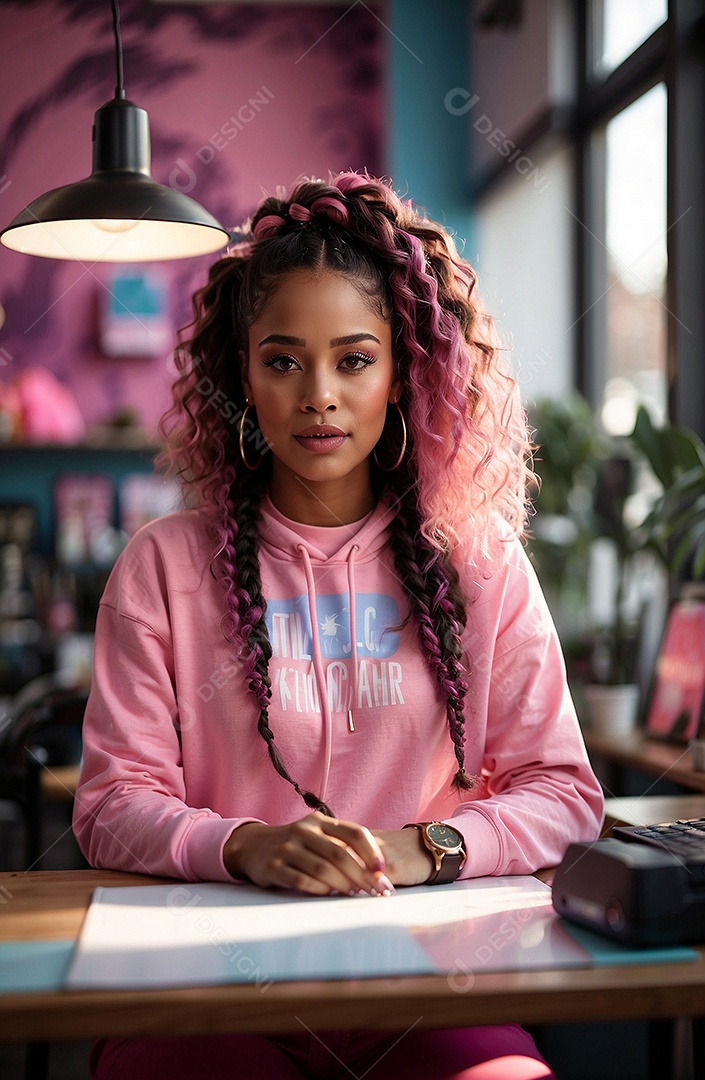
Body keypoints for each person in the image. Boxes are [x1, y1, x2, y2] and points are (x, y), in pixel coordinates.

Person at [73, 171, 604, 1080]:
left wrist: (428, 847)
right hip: (205, 997)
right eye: (282, 360)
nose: (318, 393)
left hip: (428, 992)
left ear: (403, 372)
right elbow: (109, 802)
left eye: (354, 360)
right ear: (242, 374)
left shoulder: (479, 562)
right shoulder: (161, 566)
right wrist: (243, 845)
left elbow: (564, 791)